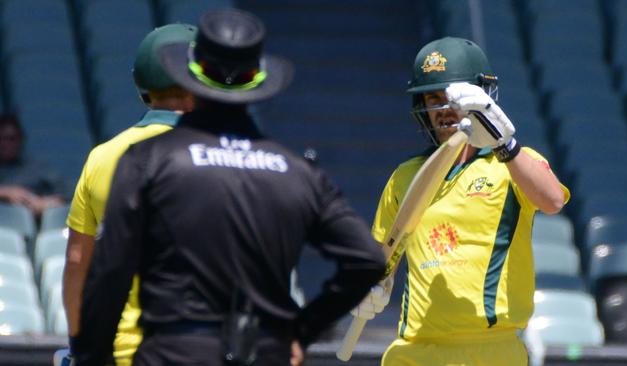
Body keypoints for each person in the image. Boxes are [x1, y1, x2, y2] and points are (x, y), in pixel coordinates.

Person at [71, 9, 386, 366]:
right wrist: (302, 330)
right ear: (259, 78)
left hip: (174, 354)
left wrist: (92, 357)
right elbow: (367, 260)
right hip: (265, 353)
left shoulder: (148, 160)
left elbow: (110, 272)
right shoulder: (297, 171)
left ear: (192, 72)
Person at [350, 37, 570, 366]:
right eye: (433, 99)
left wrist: (504, 143)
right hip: (417, 350)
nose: (442, 110)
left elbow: (553, 200)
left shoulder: (513, 165)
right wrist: (366, 287)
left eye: (451, 98)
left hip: (493, 351)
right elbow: (381, 255)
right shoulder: (405, 177)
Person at [62, 23, 198, 366]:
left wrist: (81, 346)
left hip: (122, 353)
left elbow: (78, 263)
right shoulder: (218, 155)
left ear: (142, 86)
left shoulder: (103, 156)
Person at [0, 114, 67, 217]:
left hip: (33, 223)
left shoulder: (36, 168)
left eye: (11, 139)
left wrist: (43, 204)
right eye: (2, 138)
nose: (5, 144)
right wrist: (6, 192)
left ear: (21, 140)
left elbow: (63, 197)